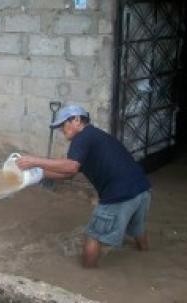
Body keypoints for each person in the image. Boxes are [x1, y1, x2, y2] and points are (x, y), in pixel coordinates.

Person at [16, 105, 151, 268]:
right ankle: (147, 257)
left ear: (77, 120)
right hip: (142, 189)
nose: (61, 130)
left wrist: (34, 160)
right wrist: (38, 175)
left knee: (93, 237)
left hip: (119, 195)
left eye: (63, 125)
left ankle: (88, 275)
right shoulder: (95, 135)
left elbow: (71, 166)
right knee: (138, 229)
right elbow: (70, 173)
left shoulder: (82, 137)